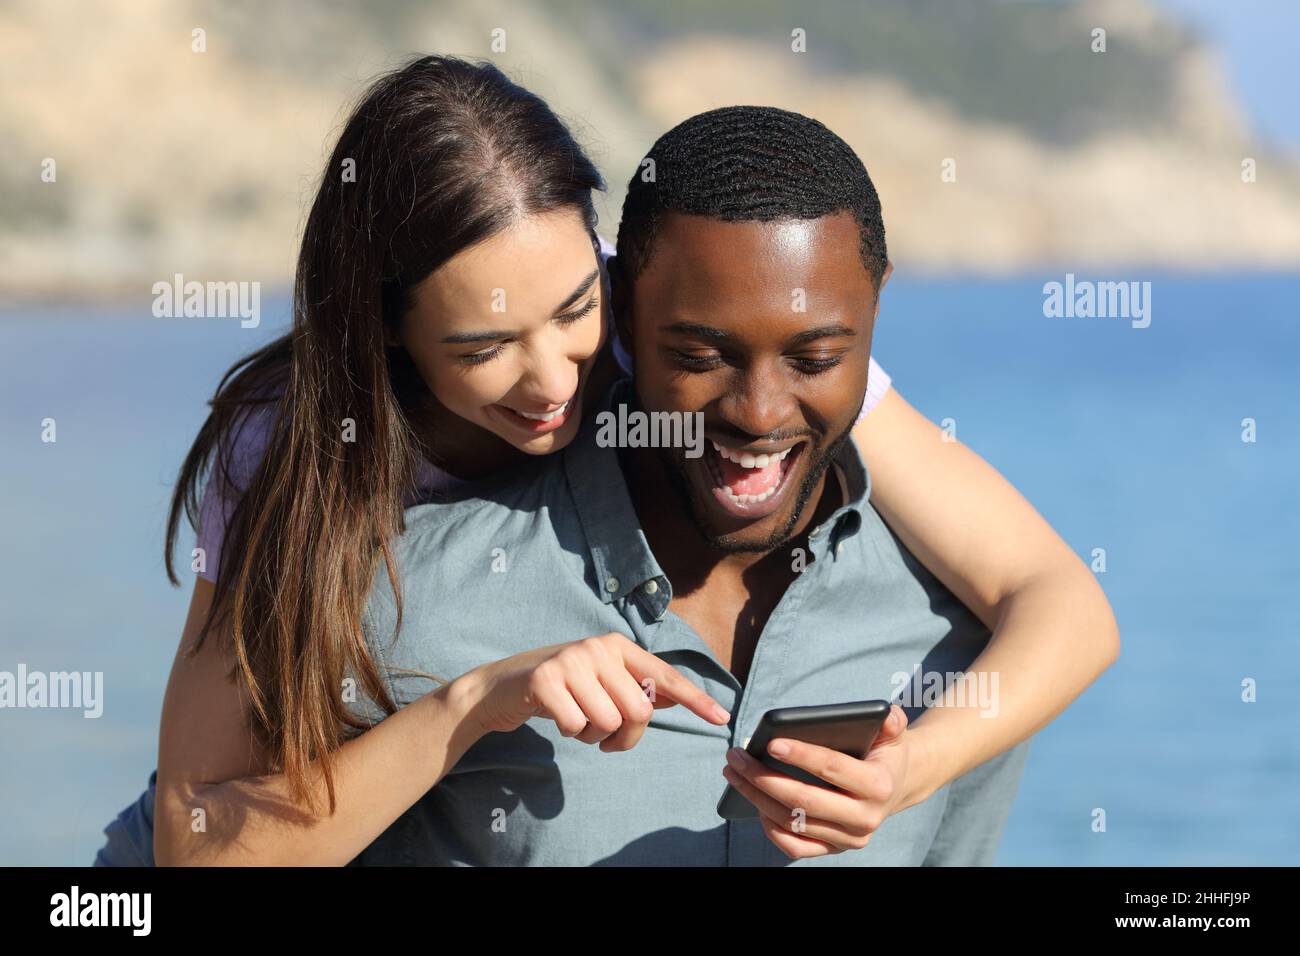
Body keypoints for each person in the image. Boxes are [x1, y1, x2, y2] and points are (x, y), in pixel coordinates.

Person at [94, 59, 1118, 866]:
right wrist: (474, 696)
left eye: (577, 307)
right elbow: (193, 835)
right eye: (484, 347)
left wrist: (907, 769)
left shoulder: (688, 326)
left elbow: (1056, 598)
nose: (554, 381)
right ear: (389, 329)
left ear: (610, 276)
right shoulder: (290, 446)